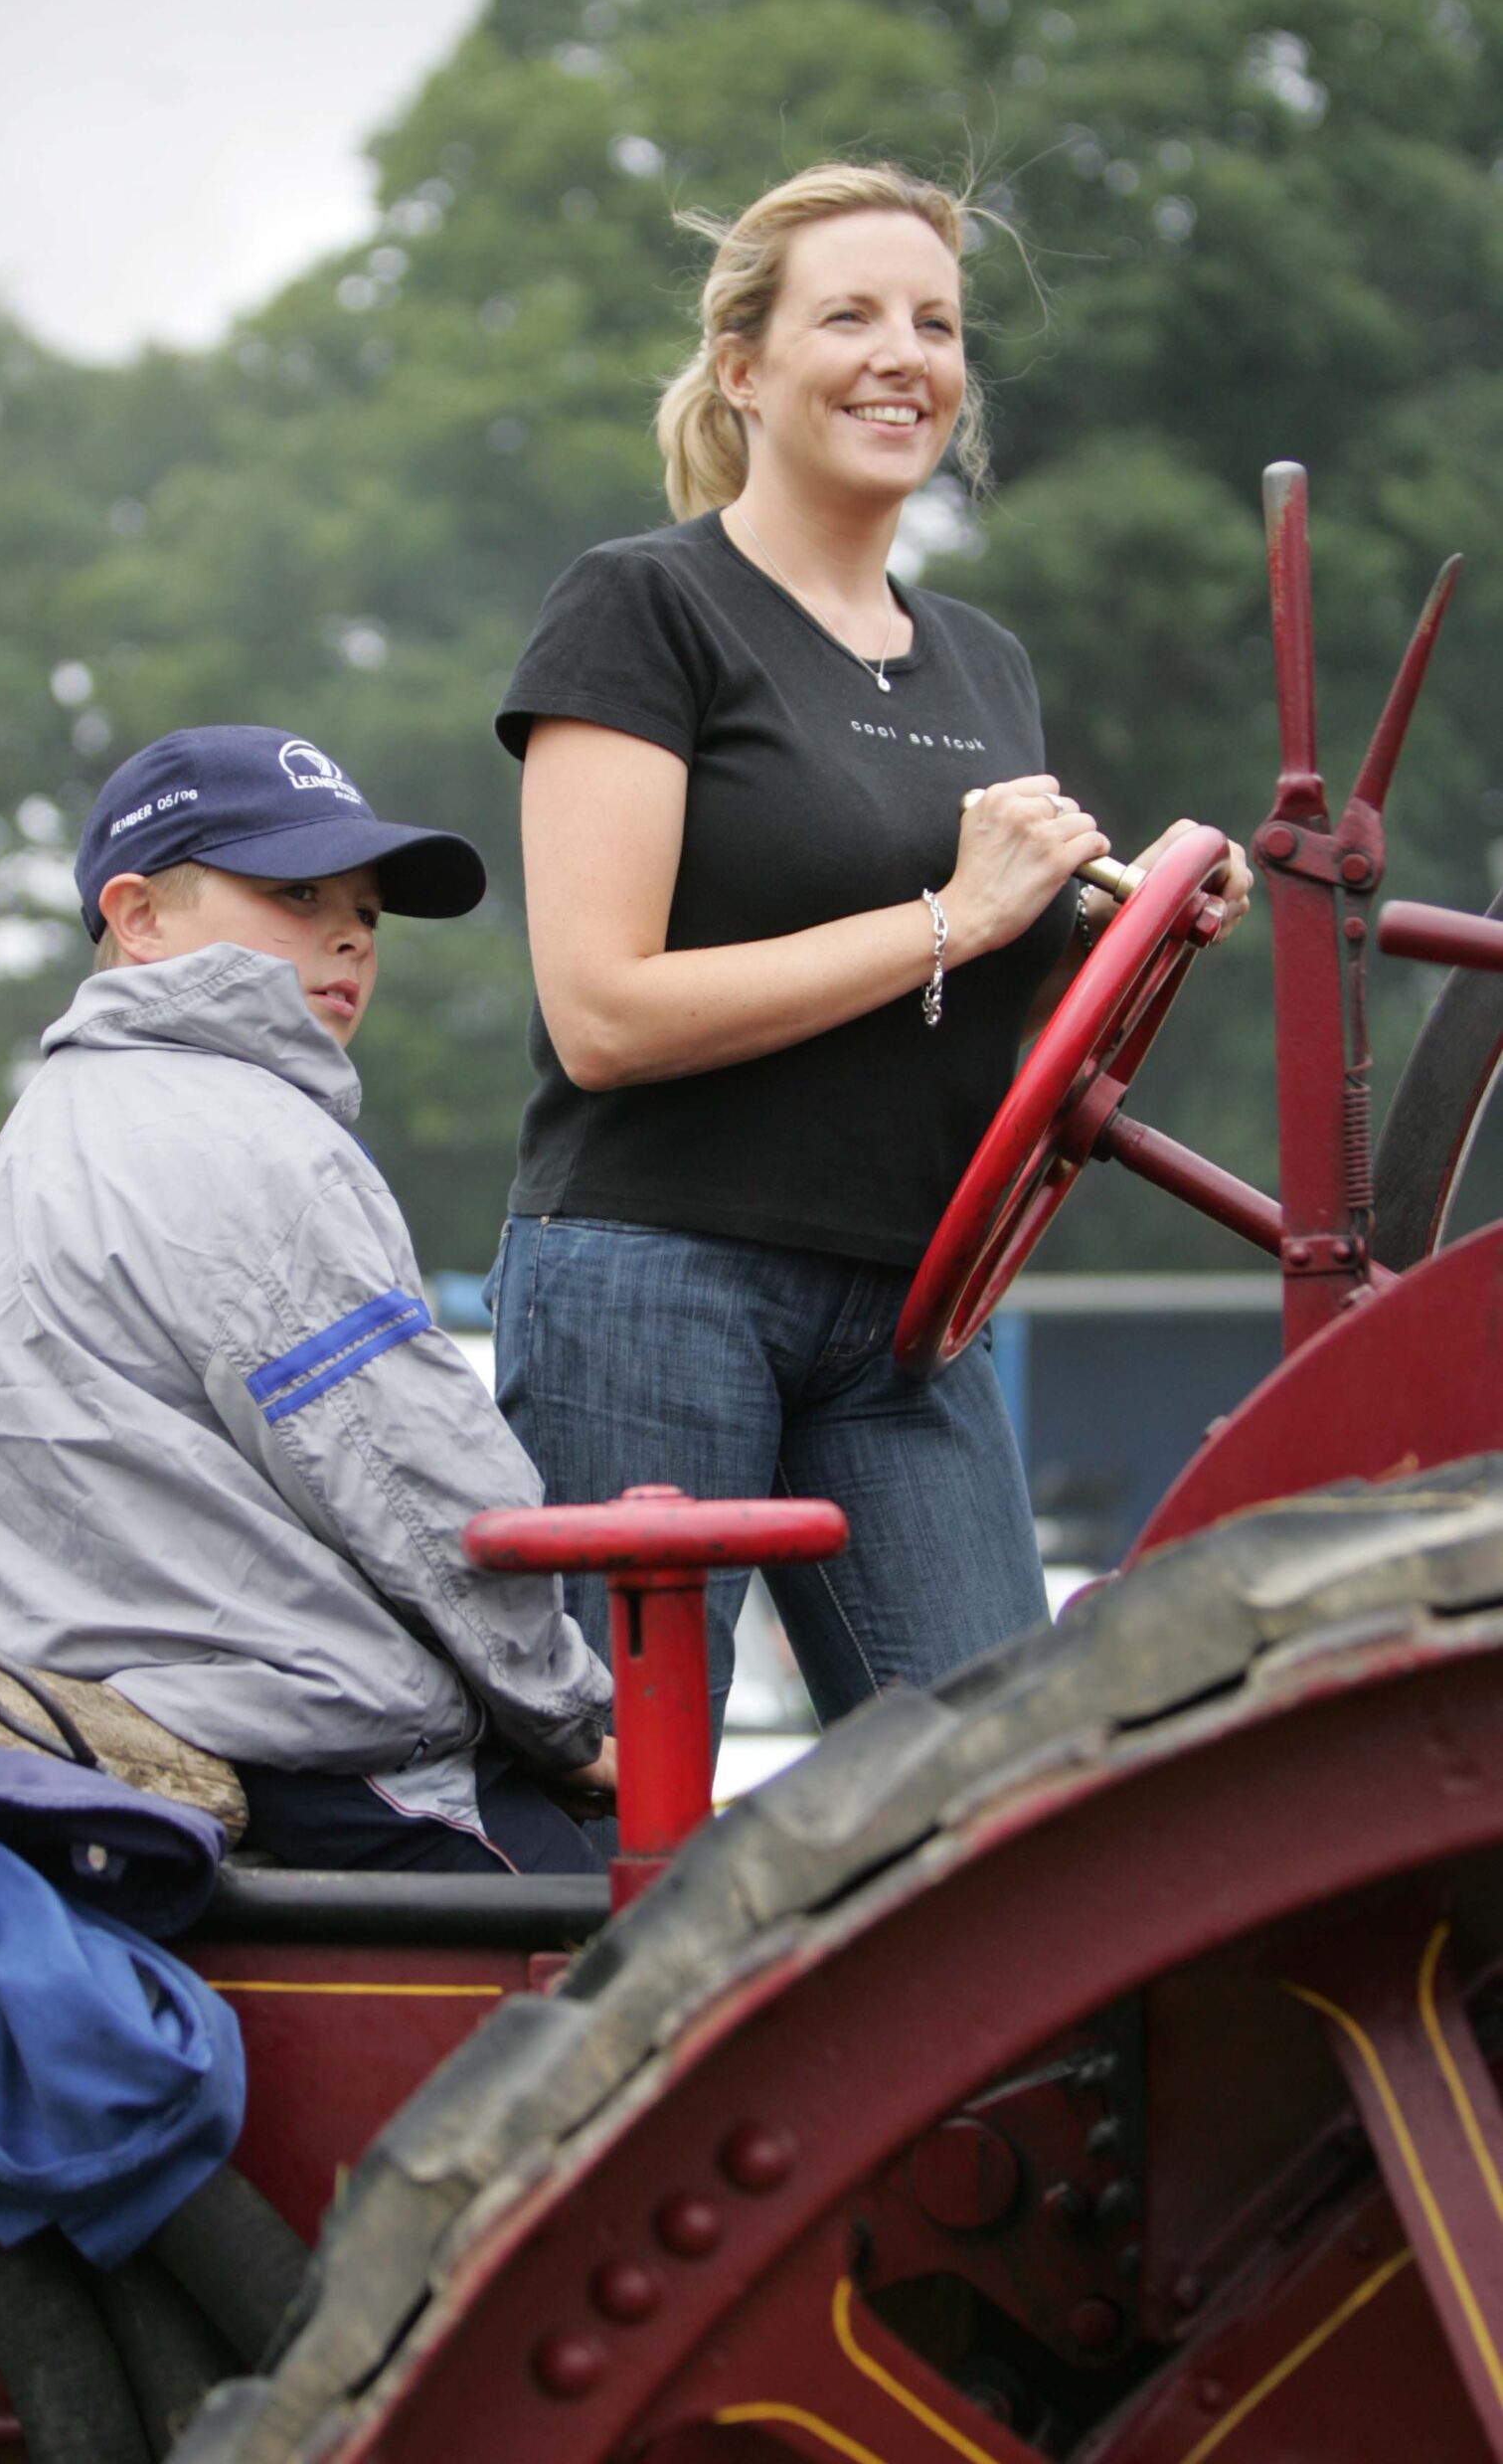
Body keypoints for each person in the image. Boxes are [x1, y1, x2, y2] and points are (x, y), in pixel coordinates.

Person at [489, 161, 1251, 1748]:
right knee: (614, 1804)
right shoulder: (641, 608)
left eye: (935, 323)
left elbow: (977, 1017)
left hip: (910, 1311)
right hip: (652, 1278)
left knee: (1005, 1798)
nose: (902, 353)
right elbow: (602, 1017)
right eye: (849, 315)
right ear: (743, 368)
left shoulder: (984, 658)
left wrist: (1112, 939)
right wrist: (955, 917)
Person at [0, 723, 615, 1876]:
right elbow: (420, 1484)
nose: (350, 933)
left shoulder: (51, 1130)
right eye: (296, 890)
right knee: (677, 1984)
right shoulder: (252, 1141)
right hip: (300, 1758)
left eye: (367, 910)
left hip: (86, 1738)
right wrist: (575, 1721)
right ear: (139, 916)